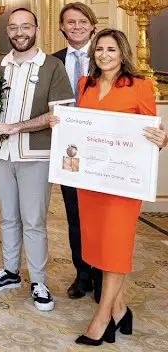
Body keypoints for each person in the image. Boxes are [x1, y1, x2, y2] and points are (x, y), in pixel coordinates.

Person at [50, 29, 167, 346]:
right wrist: (61, 125)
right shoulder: (84, 84)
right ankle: (121, 309)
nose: (103, 54)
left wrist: (162, 139)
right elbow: (81, 128)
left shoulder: (140, 86)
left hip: (123, 184)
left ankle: (102, 319)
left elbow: (151, 136)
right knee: (97, 246)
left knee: (115, 248)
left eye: (111, 49)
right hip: (90, 182)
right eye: (99, 49)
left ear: (123, 53)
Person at [0, 8, 74, 312]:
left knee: (33, 220)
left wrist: (15, 127)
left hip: (35, 154)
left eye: (25, 27)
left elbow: (59, 114)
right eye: (13, 28)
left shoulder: (52, 67)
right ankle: (10, 272)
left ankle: (38, 281)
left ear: (36, 29)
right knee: (8, 215)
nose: (19, 33)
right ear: (7, 31)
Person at [52, 2, 103, 302]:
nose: (76, 26)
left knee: (99, 212)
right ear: (62, 27)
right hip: (67, 149)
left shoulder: (106, 58)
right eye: (70, 22)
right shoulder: (53, 61)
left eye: (82, 21)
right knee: (75, 213)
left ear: (92, 25)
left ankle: (101, 274)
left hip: (100, 148)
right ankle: (82, 274)